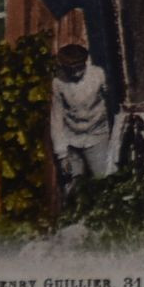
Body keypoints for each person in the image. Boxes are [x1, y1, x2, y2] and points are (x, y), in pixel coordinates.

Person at [50, 43, 114, 197]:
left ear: (85, 62)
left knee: (104, 184)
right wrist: (62, 154)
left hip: (97, 136)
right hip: (72, 140)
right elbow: (57, 118)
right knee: (72, 189)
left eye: (80, 68)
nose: (76, 73)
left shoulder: (98, 75)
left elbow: (112, 103)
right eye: (71, 69)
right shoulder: (59, 83)